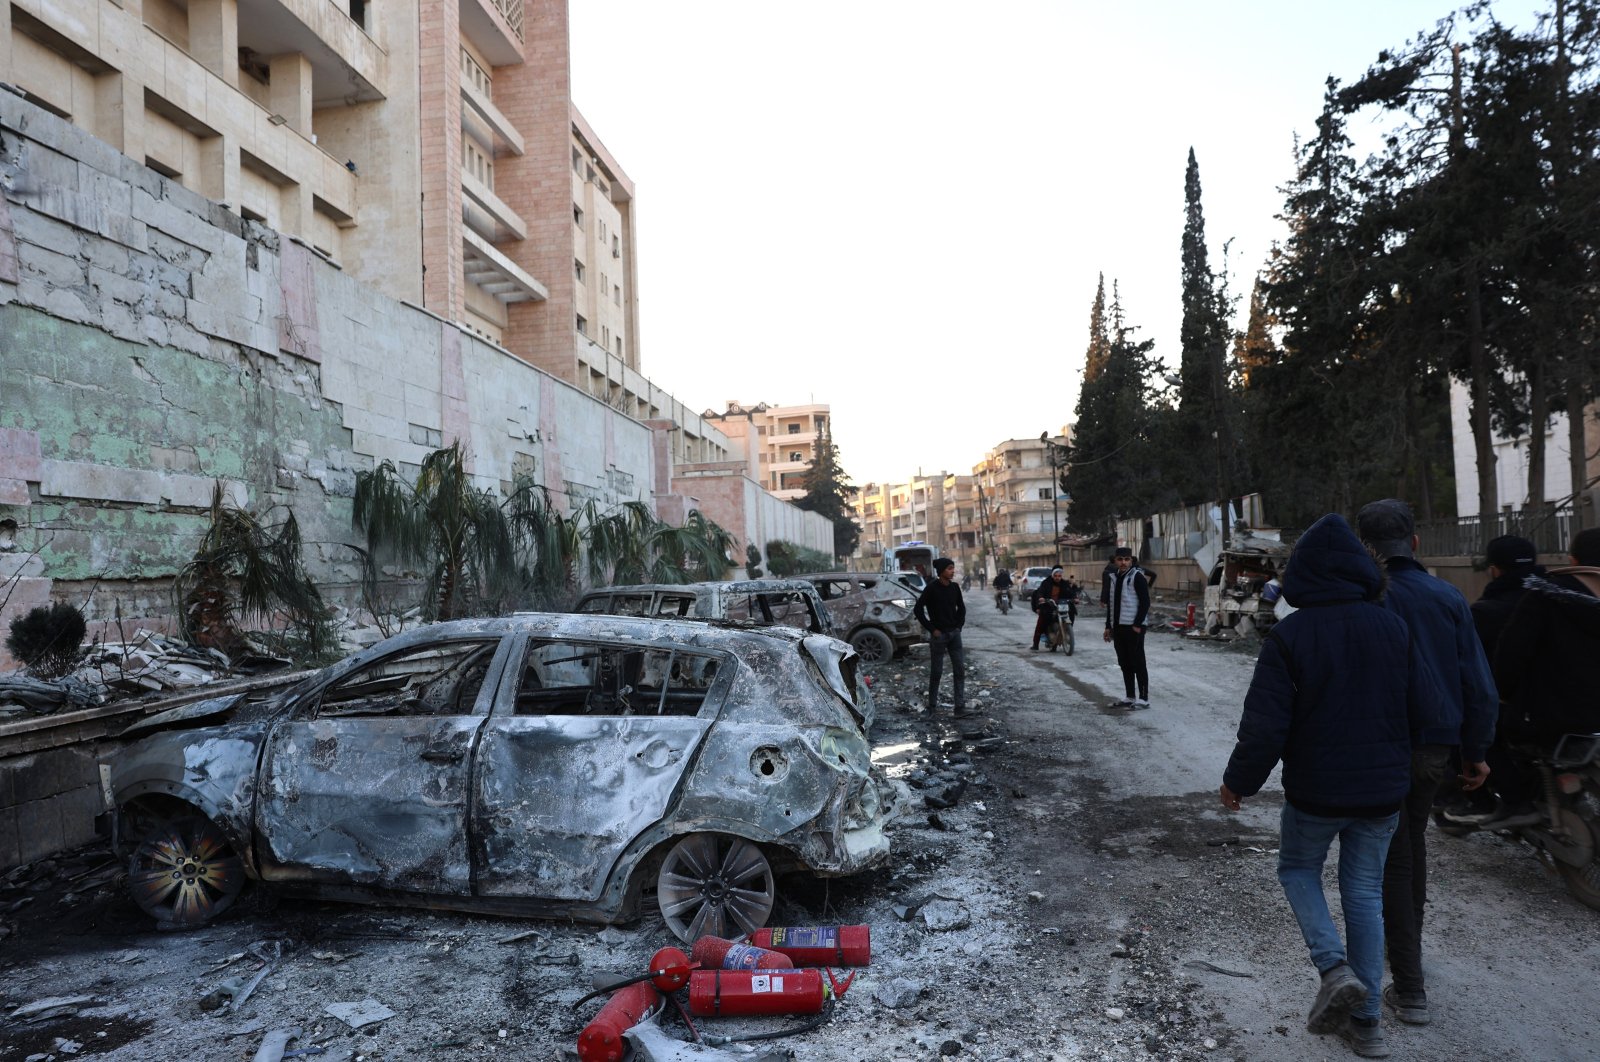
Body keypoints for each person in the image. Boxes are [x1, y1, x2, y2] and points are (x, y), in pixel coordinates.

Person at [1220, 513, 1430, 1060]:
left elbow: (1266, 725)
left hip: (1317, 793)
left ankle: (1334, 970)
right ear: (1365, 571)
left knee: (1297, 868)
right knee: (1363, 894)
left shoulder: (1291, 635)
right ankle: (1368, 1028)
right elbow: (1420, 709)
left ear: (1302, 577)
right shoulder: (1394, 627)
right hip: (1384, 793)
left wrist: (1237, 781)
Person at [1355, 498, 1497, 1029]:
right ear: (1414, 543)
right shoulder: (1447, 597)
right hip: (1433, 750)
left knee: (1392, 856)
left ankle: (1409, 987)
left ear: (1366, 548)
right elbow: (1477, 683)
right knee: (1408, 844)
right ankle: (1402, 955)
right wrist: (1476, 752)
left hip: (1378, 749)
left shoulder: (1363, 599)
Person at [1464, 528, 1600, 824]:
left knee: (1487, 728)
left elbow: (1513, 652)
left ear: (1572, 559)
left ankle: (1517, 803)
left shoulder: (1545, 595)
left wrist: (1502, 694)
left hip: (1555, 714)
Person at [914, 557, 970, 716]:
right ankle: (932, 706)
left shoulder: (955, 587)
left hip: (954, 635)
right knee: (936, 672)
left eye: (953, 568)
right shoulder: (932, 588)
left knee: (959, 669)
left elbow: (962, 608)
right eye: (949, 568)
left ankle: (959, 706)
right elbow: (918, 610)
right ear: (941, 571)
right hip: (938, 636)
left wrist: (959, 626)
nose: (953, 571)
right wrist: (932, 629)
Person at [1103, 547, 1150, 708]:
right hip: (1118, 627)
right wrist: (1108, 626)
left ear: (1131, 560)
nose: (1123, 562)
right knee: (1124, 662)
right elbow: (1112, 604)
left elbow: (1145, 602)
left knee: (1138, 662)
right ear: (1115, 561)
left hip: (1134, 627)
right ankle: (1130, 696)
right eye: (1120, 559)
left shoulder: (1137, 577)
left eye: (1126, 559)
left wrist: (1137, 624)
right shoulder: (1114, 578)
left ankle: (1143, 699)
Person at [1029, 566, 1068, 650]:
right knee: (1041, 623)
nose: (1057, 578)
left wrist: (1075, 598)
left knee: (1070, 614)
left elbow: (1070, 592)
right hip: (1048, 605)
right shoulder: (1046, 583)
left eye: (1059, 576)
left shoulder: (1064, 584)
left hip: (1060, 606)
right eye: (1056, 576)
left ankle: (1066, 635)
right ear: (1053, 575)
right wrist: (1041, 598)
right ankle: (1035, 644)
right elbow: (1040, 592)